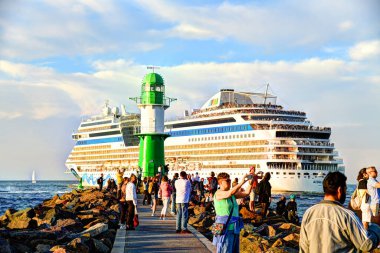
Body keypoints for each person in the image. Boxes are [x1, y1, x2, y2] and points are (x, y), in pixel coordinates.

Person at [300, 171, 380, 253]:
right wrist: (376, 227)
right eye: (345, 189)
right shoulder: (347, 215)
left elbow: (303, 248)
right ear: (340, 190)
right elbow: (366, 244)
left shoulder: (308, 213)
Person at [212, 172, 254, 253]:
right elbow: (229, 193)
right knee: (222, 249)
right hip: (223, 228)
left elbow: (246, 193)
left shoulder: (232, 195)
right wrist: (242, 182)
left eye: (230, 180)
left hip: (234, 228)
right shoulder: (218, 193)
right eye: (227, 180)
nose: (229, 182)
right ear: (220, 182)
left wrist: (250, 183)